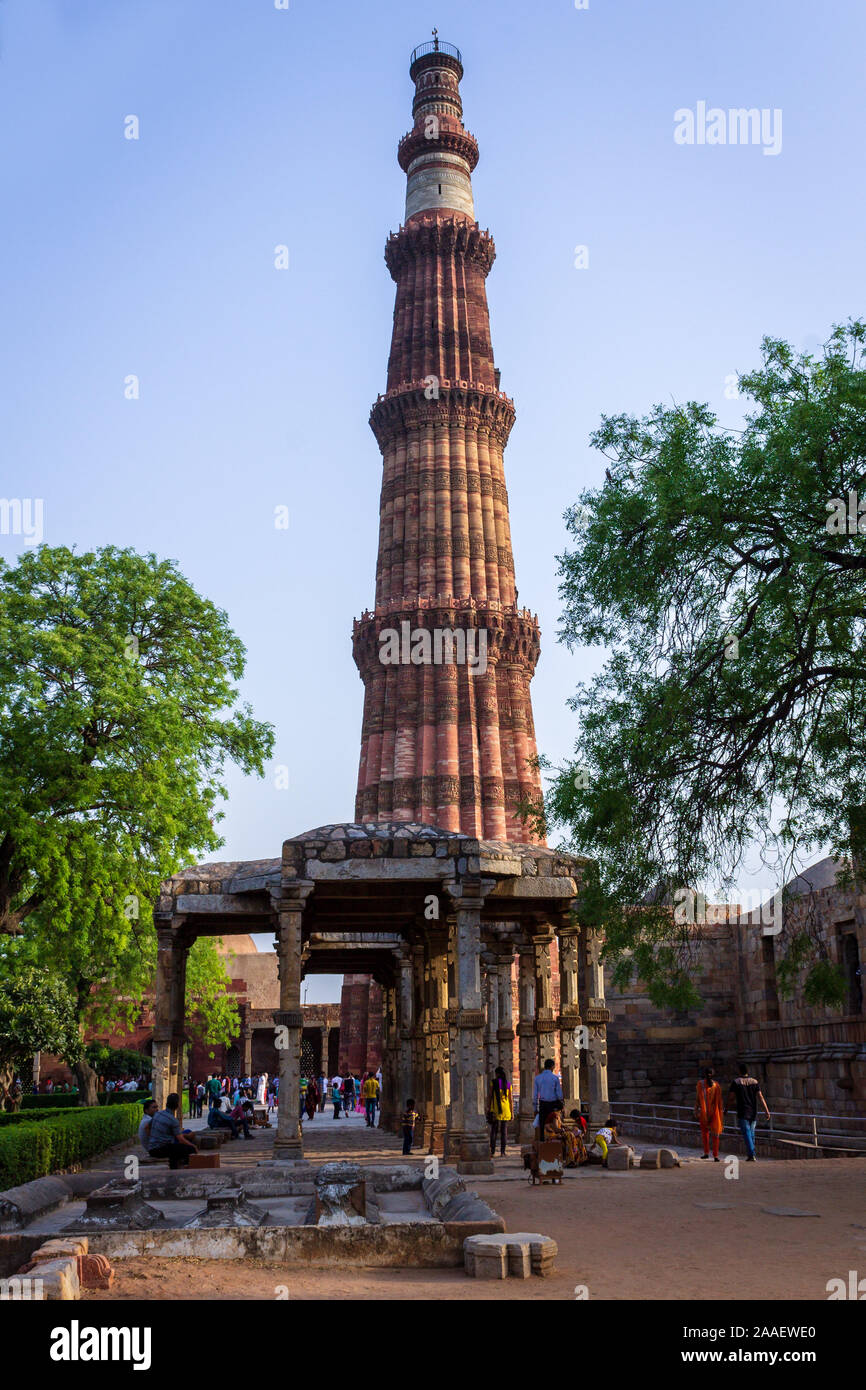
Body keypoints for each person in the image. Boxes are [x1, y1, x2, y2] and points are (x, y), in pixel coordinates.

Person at [727, 1063, 770, 1161]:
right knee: (751, 1133)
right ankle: (751, 1154)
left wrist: (726, 1109)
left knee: (747, 1133)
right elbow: (760, 1097)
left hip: (743, 1111)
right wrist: (766, 1111)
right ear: (747, 1071)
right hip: (753, 1111)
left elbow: (731, 1098)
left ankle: (752, 1153)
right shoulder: (754, 1082)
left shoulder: (736, 1082)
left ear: (739, 1071)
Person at [148, 1094, 198, 1168]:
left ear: (166, 1104)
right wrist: (193, 1146)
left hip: (152, 1147)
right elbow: (181, 1140)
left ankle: (175, 1166)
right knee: (190, 1149)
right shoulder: (173, 1120)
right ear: (177, 1106)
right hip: (160, 1149)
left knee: (175, 1148)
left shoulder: (158, 1114)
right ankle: (185, 1168)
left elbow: (148, 1126)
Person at [695, 1067, 724, 1161]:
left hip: (704, 1113)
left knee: (705, 1134)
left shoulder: (700, 1084)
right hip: (715, 1114)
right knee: (715, 1135)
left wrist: (695, 1109)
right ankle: (716, 1156)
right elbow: (719, 1102)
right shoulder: (717, 1085)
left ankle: (706, 1153)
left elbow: (698, 1099)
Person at [532, 1058, 563, 1136]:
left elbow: (535, 1095)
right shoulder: (555, 1078)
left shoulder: (538, 1078)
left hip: (542, 1104)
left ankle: (543, 1143)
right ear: (552, 1066)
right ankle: (553, 1142)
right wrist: (561, 1105)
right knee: (553, 1124)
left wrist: (535, 1108)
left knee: (542, 1125)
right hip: (553, 1105)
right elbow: (559, 1094)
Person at [487, 1066, 513, 1157]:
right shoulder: (508, 1084)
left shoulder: (493, 1083)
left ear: (497, 1074)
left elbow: (490, 1096)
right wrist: (512, 1113)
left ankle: (492, 1151)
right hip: (506, 1110)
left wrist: (488, 1107)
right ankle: (503, 1152)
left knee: (494, 1131)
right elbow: (510, 1100)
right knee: (504, 1132)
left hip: (496, 1110)